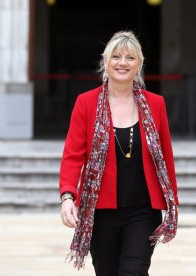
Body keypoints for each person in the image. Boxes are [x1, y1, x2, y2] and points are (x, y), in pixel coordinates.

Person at [59, 31, 179, 276]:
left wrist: (172, 203)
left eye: (130, 58)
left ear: (139, 64)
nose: (122, 63)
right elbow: (73, 155)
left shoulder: (156, 104)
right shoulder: (86, 103)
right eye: (116, 56)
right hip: (99, 211)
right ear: (105, 62)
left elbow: (165, 157)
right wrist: (68, 196)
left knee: (133, 271)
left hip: (143, 211)